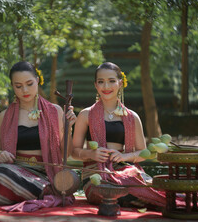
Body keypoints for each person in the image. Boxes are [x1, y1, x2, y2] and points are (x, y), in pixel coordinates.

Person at [0, 61, 76, 209]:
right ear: (12, 86)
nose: (25, 90)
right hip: (13, 172)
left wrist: (68, 129)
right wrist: (0, 154)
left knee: (9, 179)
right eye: (18, 86)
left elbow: (65, 155)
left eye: (29, 83)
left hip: (44, 175)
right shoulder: (4, 116)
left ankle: (35, 191)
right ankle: (35, 193)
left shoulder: (55, 111)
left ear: (38, 80)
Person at [71, 62, 166, 208]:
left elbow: (144, 153)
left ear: (120, 83)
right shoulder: (86, 115)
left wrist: (124, 157)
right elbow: (74, 152)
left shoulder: (132, 117)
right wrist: (91, 154)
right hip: (95, 175)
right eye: (101, 82)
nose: (106, 87)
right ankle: (148, 200)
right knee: (112, 189)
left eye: (111, 81)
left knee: (150, 187)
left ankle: (153, 199)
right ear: (95, 85)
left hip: (125, 170)